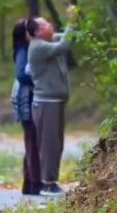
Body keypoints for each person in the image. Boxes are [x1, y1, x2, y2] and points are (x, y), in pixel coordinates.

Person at [26, 10, 73, 196]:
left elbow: (67, 37)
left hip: (54, 101)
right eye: (45, 24)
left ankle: (50, 181)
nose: (50, 25)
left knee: (56, 143)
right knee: (49, 144)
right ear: (37, 32)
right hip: (46, 103)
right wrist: (71, 21)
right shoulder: (38, 47)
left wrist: (75, 23)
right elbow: (64, 45)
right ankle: (47, 184)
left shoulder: (48, 41)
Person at [10, 20, 41, 196]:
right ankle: (35, 183)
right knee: (33, 141)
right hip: (26, 99)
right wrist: (39, 81)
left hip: (28, 97)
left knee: (32, 141)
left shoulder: (28, 49)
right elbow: (21, 74)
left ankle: (30, 182)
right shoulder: (23, 51)